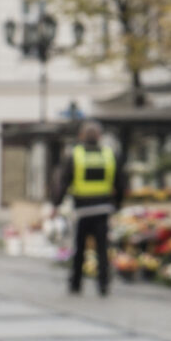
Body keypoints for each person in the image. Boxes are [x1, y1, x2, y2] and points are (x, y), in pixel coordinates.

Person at [53, 121, 123, 295]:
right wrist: (117, 205)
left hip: (82, 210)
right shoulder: (109, 155)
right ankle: (103, 284)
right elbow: (120, 182)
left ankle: (76, 284)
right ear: (99, 137)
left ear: (81, 136)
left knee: (80, 248)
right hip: (103, 209)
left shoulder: (75, 155)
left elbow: (64, 181)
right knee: (102, 249)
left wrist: (56, 204)